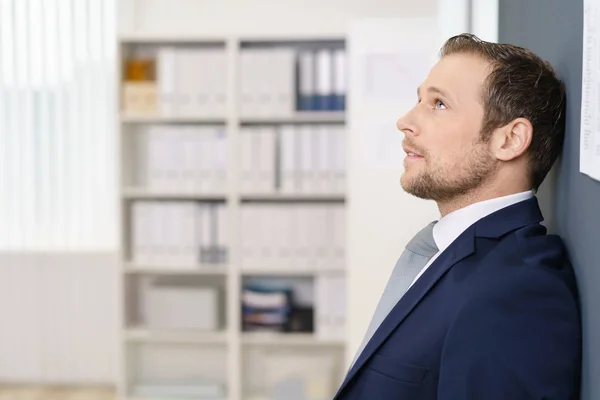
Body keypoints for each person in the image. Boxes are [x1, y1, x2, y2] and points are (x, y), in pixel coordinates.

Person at [333, 33, 581, 399]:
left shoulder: (517, 292)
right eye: (419, 99)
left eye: (439, 104)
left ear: (510, 140)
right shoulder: (451, 254)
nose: (405, 121)